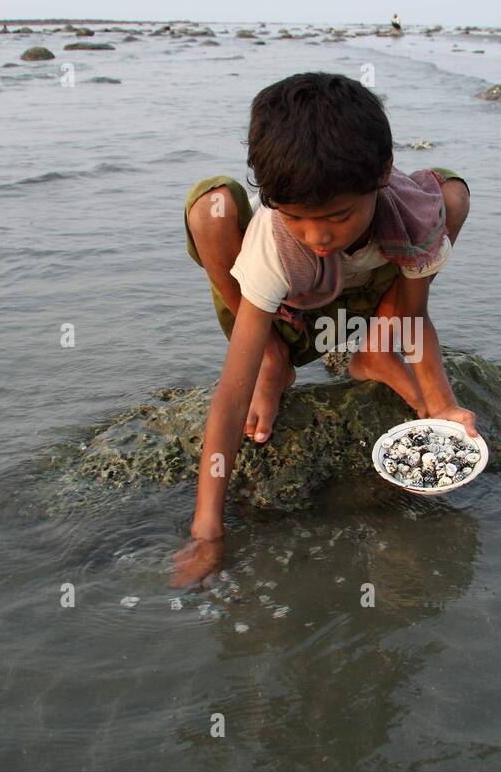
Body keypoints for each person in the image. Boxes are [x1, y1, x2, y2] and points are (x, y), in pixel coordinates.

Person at [176, 72, 475, 585]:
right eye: (295, 218)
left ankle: (376, 353)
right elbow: (230, 394)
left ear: (382, 174)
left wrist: (441, 401)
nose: (317, 235)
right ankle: (276, 360)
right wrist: (207, 531)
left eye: (338, 215)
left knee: (450, 191)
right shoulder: (275, 244)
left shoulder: (409, 211)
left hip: (363, 306)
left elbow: (416, 316)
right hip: (285, 317)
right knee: (212, 203)